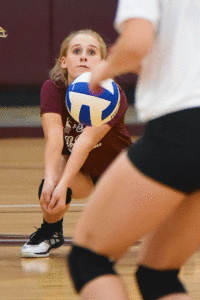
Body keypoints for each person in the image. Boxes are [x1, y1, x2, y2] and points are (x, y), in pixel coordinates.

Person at [67, 1, 200, 299]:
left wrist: (102, 71)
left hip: (184, 128)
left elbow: (137, 43)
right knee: (158, 275)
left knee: (89, 259)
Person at [21, 29, 133, 258]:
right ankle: (51, 232)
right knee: (51, 183)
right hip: (84, 174)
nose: (83, 56)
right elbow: (54, 137)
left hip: (120, 174)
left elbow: (86, 141)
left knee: (165, 210)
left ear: (102, 62)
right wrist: (52, 182)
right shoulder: (52, 89)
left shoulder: (112, 94)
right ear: (64, 61)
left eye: (91, 52)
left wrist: (62, 185)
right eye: (76, 51)